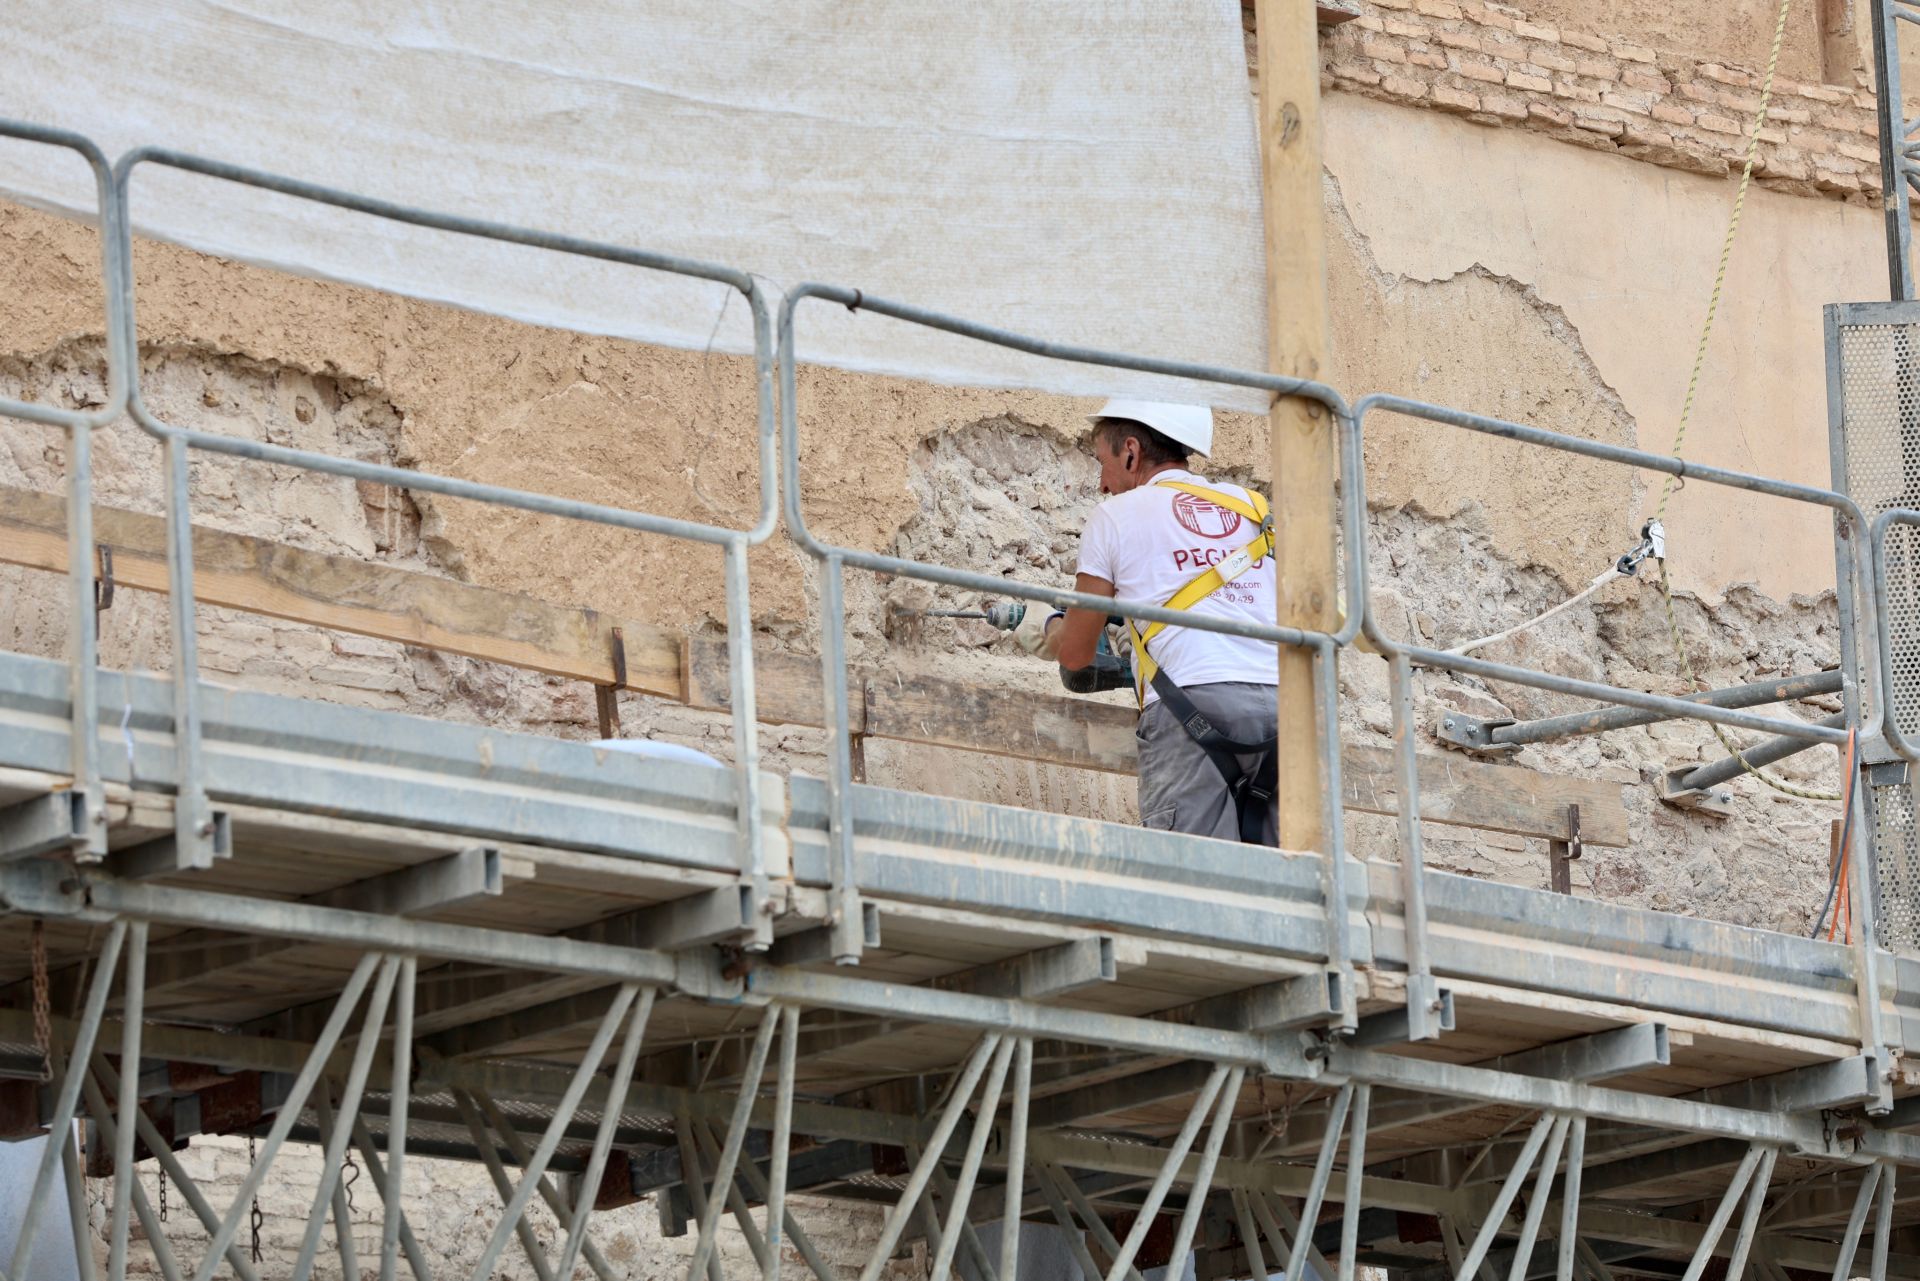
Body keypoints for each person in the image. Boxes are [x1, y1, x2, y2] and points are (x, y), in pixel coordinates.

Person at [1017, 399, 1279, 845]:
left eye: (1102, 462)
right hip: (1283, 709)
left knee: (1192, 884)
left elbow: (1078, 653)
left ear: (1131, 452)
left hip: (1191, 709)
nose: (1102, 484)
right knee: (1288, 891)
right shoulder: (1252, 507)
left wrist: (1048, 629)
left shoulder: (1115, 516)